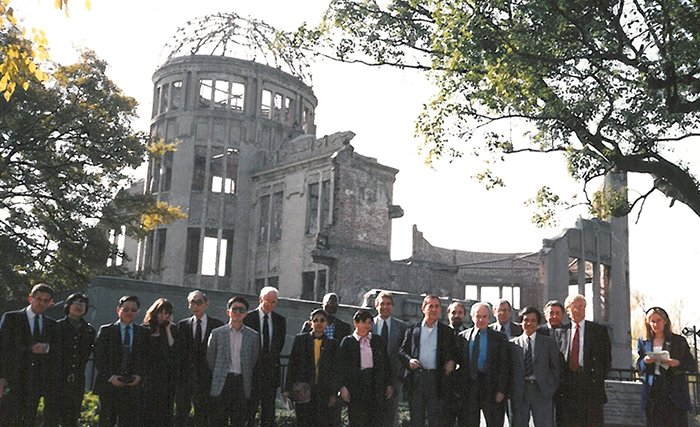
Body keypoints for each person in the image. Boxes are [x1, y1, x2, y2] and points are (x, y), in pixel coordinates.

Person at [0, 283, 57, 426]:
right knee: (8, 419)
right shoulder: (11, 318)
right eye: (38, 299)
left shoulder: (52, 325)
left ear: (50, 303)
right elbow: (3, 348)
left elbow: (58, 350)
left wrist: (47, 348)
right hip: (13, 380)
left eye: (46, 301)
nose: (41, 303)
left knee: (28, 420)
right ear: (30, 298)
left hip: (36, 383)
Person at [554, 294, 611, 427]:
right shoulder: (560, 332)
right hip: (567, 387)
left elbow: (606, 359)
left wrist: (597, 377)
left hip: (590, 386)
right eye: (575, 307)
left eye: (582, 306)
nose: (579, 310)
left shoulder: (599, 331)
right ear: (568, 310)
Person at [400, 294, 456, 427]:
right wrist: (409, 361)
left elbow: (454, 353)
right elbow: (402, 351)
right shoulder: (413, 329)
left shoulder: (446, 332)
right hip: (417, 379)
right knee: (416, 419)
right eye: (430, 306)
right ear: (423, 308)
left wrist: (452, 361)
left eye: (437, 306)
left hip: (436, 380)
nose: (434, 309)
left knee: (435, 419)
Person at [637, 306, 696, 427]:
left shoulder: (678, 341)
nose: (655, 324)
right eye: (652, 321)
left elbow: (692, 365)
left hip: (674, 392)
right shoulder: (643, 341)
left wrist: (677, 363)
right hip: (653, 392)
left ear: (665, 321)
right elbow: (639, 366)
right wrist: (645, 361)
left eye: (658, 320)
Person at [44, 292, 96, 427]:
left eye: (82, 303)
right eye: (76, 303)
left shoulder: (89, 330)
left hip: (76, 382)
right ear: (68, 306)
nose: (79, 306)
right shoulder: (55, 327)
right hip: (56, 381)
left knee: (71, 419)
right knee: (51, 418)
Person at [93, 295, 147, 427]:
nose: (129, 312)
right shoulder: (106, 331)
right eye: (126, 309)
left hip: (133, 387)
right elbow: (99, 357)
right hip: (110, 385)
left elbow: (146, 358)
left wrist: (139, 376)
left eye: (133, 310)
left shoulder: (143, 333)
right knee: (106, 422)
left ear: (137, 312)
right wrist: (110, 377)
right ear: (118, 310)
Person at [208, 296, 259, 427]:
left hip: (241, 383)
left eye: (241, 310)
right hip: (222, 382)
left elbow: (253, 359)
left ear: (246, 314)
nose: (237, 312)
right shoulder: (217, 333)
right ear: (228, 312)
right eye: (234, 309)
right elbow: (211, 358)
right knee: (218, 420)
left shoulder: (253, 336)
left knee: (239, 421)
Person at [175, 290, 224, 427]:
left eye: (199, 302)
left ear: (206, 304)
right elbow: (179, 353)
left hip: (206, 378)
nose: (195, 305)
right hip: (185, 378)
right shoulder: (183, 325)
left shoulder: (216, 325)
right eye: (192, 302)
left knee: (202, 415)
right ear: (189, 305)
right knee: (181, 414)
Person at [285, 309, 339, 427]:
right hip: (303, 390)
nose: (319, 323)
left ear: (327, 324)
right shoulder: (300, 340)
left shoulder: (333, 344)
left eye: (322, 320)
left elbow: (335, 371)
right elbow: (292, 365)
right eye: (315, 320)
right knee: (303, 422)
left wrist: (333, 394)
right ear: (310, 323)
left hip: (323, 392)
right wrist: (287, 389)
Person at [338, 309, 392, 427]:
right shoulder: (347, 342)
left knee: (375, 420)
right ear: (356, 323)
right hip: (356, 386)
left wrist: (388, 384)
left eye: (369, 323)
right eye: (364, 322)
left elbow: (385, 363)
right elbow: (340, 367)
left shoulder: (377, 340)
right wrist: (342, 387)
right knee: (357, 419)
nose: (367, 326)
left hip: (374, 384)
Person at [459, 301, 509, 427]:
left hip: (491, 388)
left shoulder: (499, 338)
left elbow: (504, 366)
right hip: (470, 388)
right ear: (471, 317)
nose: (481, 319)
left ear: (489, 317)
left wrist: (501, 390)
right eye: (478, 316)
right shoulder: (462, 337)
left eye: (484, 316)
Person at [244, 286, 287, 427]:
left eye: (273, 302)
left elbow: (278, 345)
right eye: (267, 300)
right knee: (249, 411)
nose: (270, 304)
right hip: (251, 372)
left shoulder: (280, 321)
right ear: (260, 299)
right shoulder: (248, 318)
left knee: (268, 413)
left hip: (270, 373)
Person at [509, 306, 559, 427]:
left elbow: (555, 368)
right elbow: (508, 370)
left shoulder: (548, 343)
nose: (529, 323)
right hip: (520, 391)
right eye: (526, 320)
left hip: (541, 390)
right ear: (521, 322)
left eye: (533, 320)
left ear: (537, 324)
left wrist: (551, 386)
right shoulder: (512, 344)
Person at [371, 291, 408, 427]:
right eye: (382, 304)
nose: (385, 307)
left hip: (394, 379)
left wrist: (400, 376)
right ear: (376, 305)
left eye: (388, 304)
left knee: (390, 417)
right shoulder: (368, 326)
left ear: (392, 306)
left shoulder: (402, 327)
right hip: (371, 379)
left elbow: (405, 353)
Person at [142, 298, 178, 426]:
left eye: (166, 313)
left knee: (164, 412)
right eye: (161, 313)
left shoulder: (173, 329)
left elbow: (172, 348)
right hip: (148, 377)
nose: (163, 316)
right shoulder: (144, 329)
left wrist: (167, 329)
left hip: (165, 378)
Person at [443, 301, 467, 427]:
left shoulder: (471, 335)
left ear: (464, 315)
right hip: (445, 388)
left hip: (465, 388)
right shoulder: (441, 334)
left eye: (460, 313)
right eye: (453, 312)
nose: (456, 315)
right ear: (448, 315)